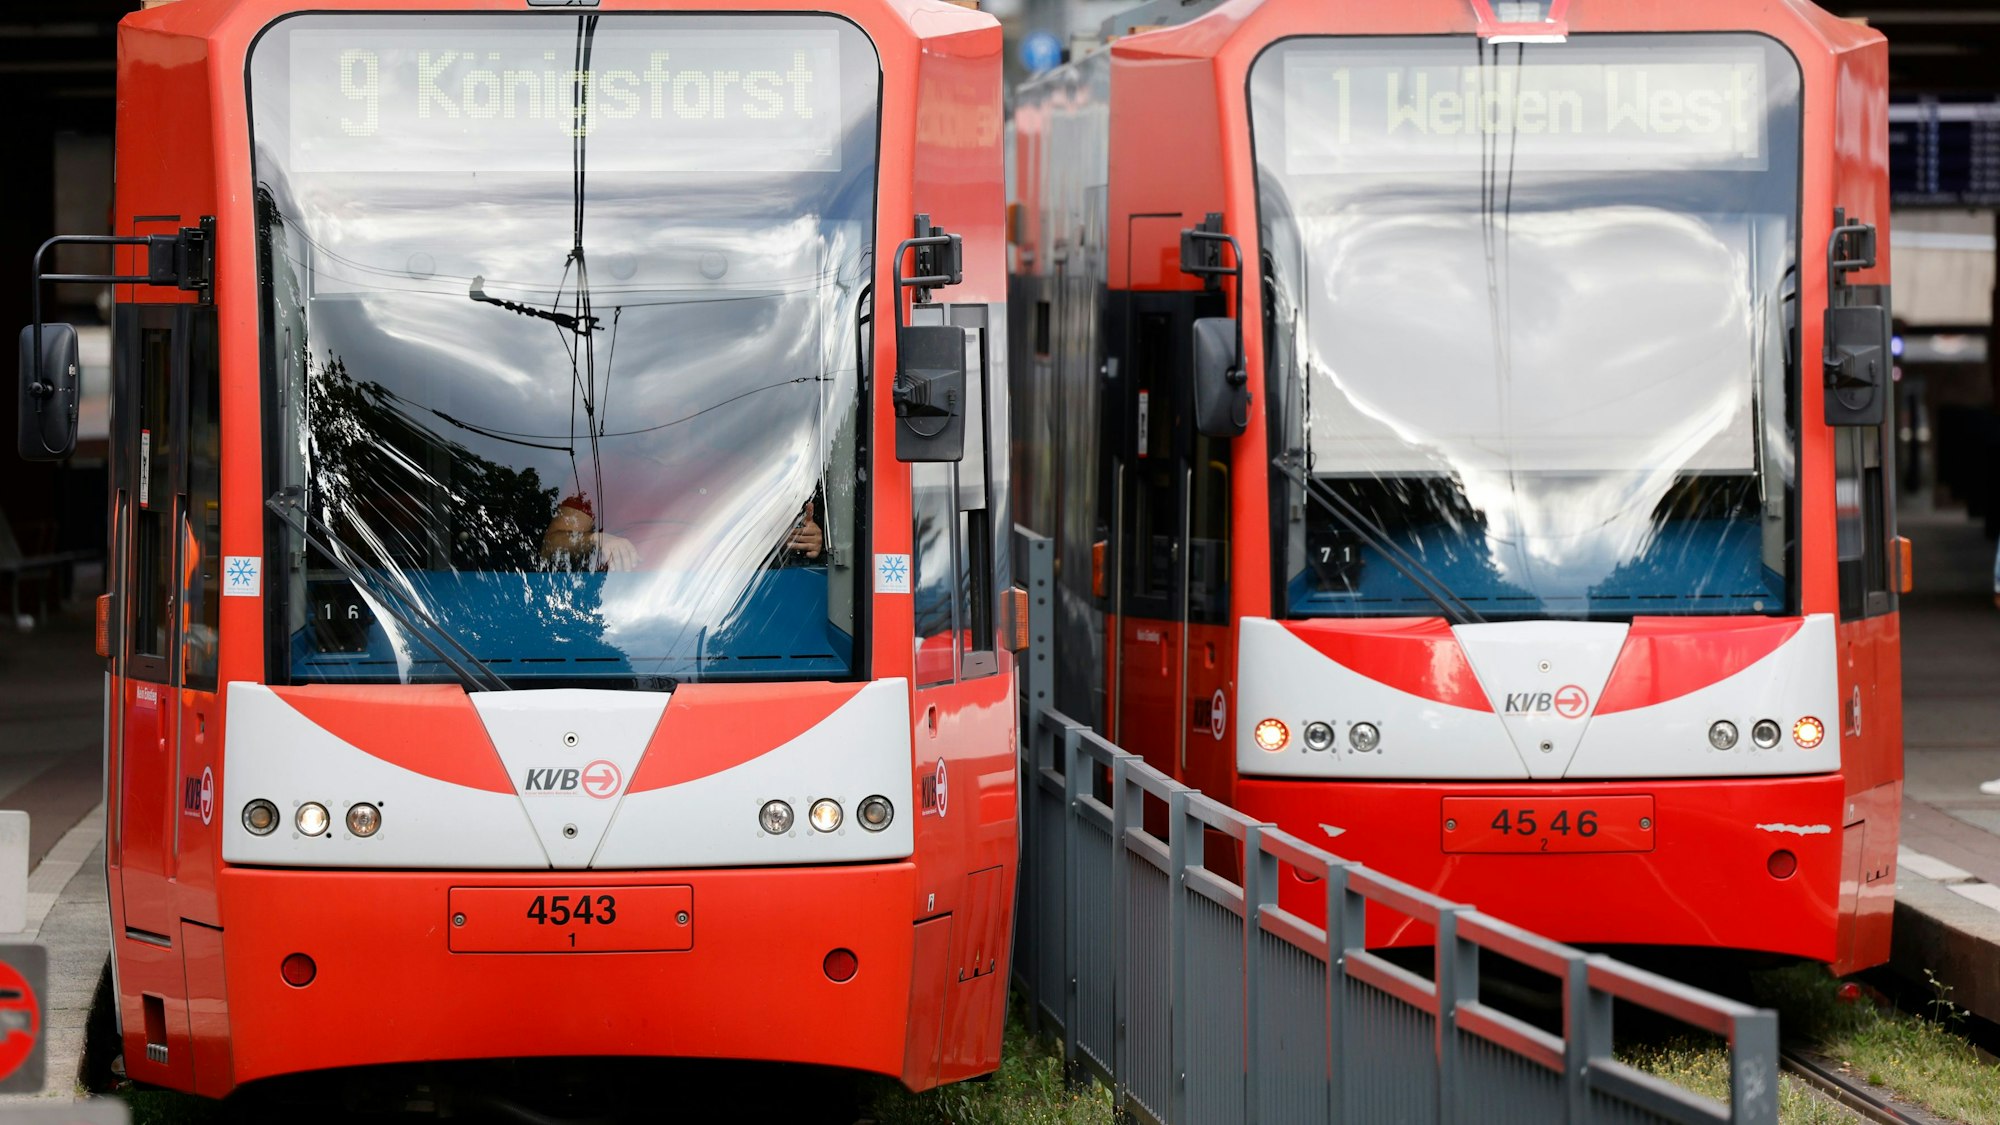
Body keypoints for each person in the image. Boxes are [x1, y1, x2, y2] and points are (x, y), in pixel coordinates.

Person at [539, 492, 824, 572]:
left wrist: (803, 537)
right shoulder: (597, 465)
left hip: (718, 611)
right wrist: (596, 539)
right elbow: (552, 546)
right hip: (615, 608)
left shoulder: (737, 467)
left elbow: (765, 535)